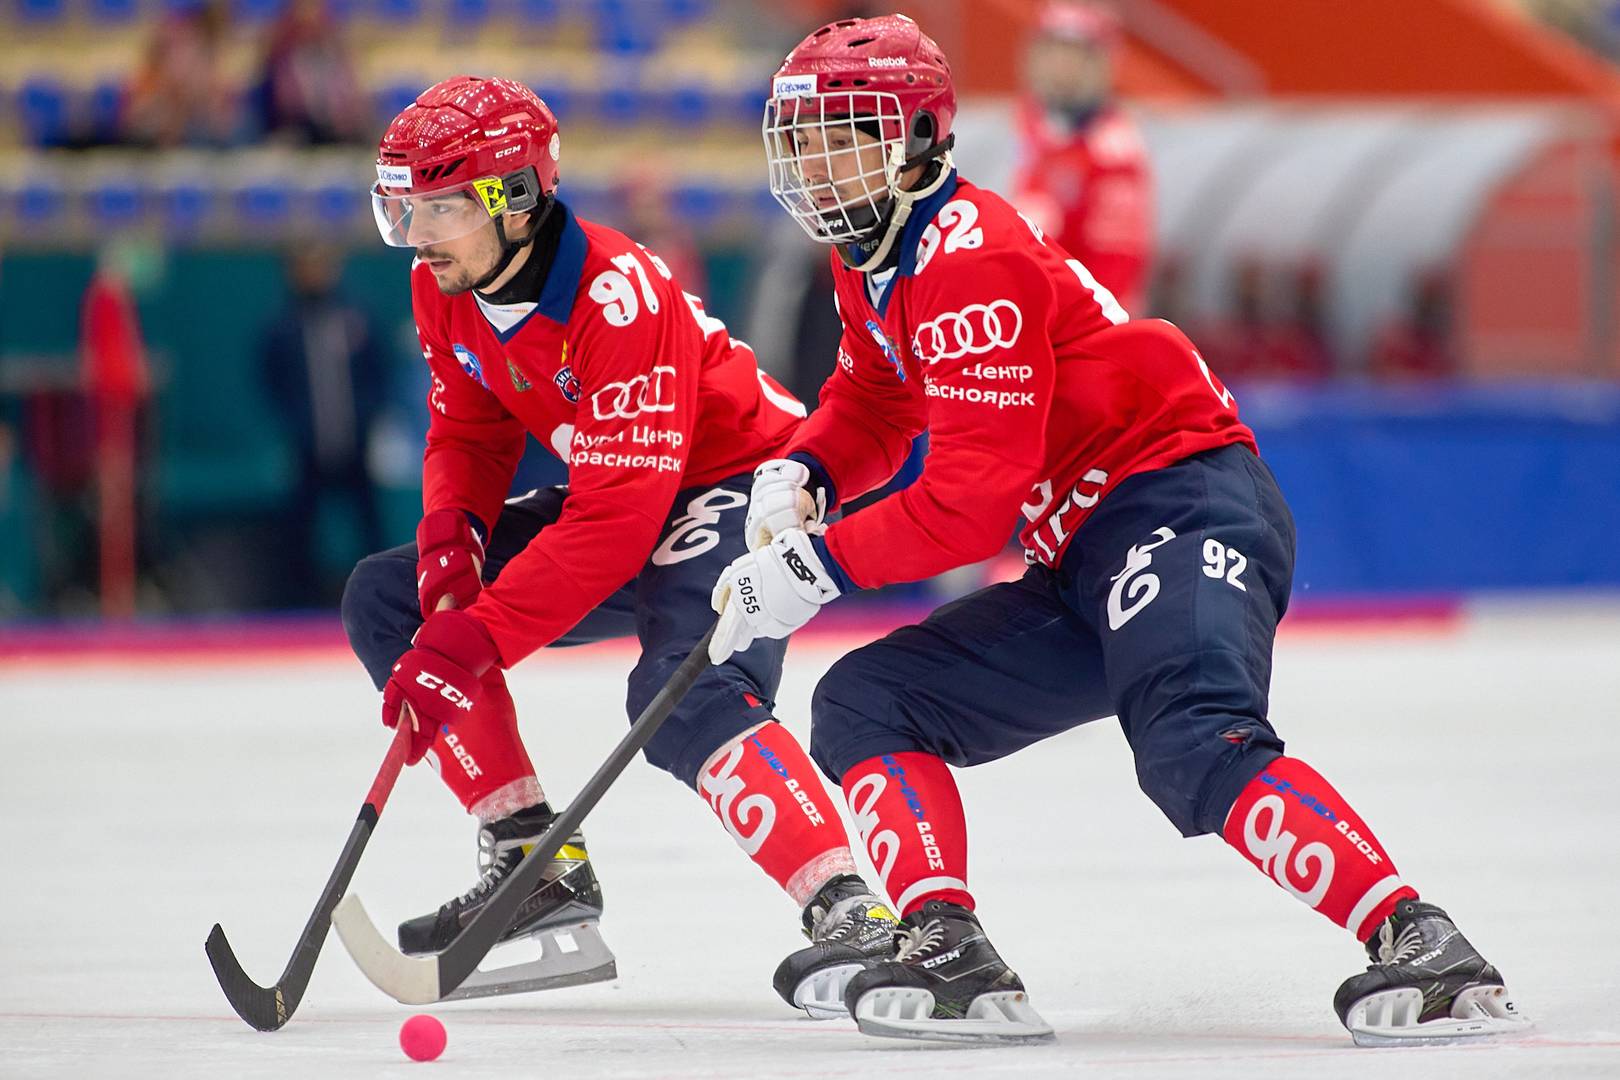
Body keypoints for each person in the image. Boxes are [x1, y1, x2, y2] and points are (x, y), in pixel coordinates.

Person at [711, 14, 1528, 1045]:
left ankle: (1422, 943)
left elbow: (970, 503)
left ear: (919, 136)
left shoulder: (966, 258)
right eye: (808, 131)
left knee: (1192, 738)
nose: (819, 157)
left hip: (1176, 499)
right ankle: (947, 944)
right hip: (1084, 539)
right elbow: (877, 396)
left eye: (847, 129)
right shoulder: (875, 252)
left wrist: (816, 565)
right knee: (866, 702)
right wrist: (806, 466)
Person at [339, 75, 896, 1013]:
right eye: (406, 207)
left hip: (747, 480)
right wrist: (449, 544)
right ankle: (534, 867)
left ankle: (851, 910)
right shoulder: (447, 285)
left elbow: (607, 534)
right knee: (388, 598)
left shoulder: (617, 301)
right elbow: (471, 432)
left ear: (513, 199)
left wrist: (473, 642)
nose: (418, 231)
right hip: (625, 483)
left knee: (685, 688)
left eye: (438, 206)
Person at [260, 245, 388, 605]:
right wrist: (295, 423)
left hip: (355, 441)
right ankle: (297, 601)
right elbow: (271, 378)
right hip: (307, 446)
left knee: (369, 524)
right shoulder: (284, 325)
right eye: (307, 264)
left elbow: (379, 371)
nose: (315, 272)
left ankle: (380, 594)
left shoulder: (354, 317)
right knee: (300, 528)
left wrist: (368, 416)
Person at [1008, 1, 1153, 314]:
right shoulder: (1035, 127)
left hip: (1086, 326)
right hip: (1041, 313)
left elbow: (1116, 267)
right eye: (1051, 52)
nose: (1058, 68)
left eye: (1072, 57)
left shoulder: (1114, 152)